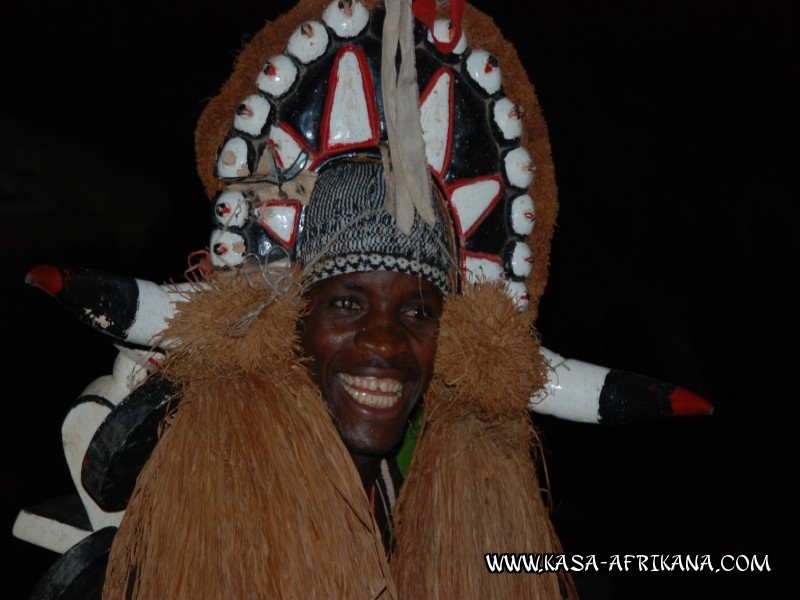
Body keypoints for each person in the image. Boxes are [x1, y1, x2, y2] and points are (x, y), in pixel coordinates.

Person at [13, 1, 712, 598]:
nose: (385, 343)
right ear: (293, 321)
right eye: (348, 304)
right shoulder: (206, 504)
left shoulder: (456, 512)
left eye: (419, 311)